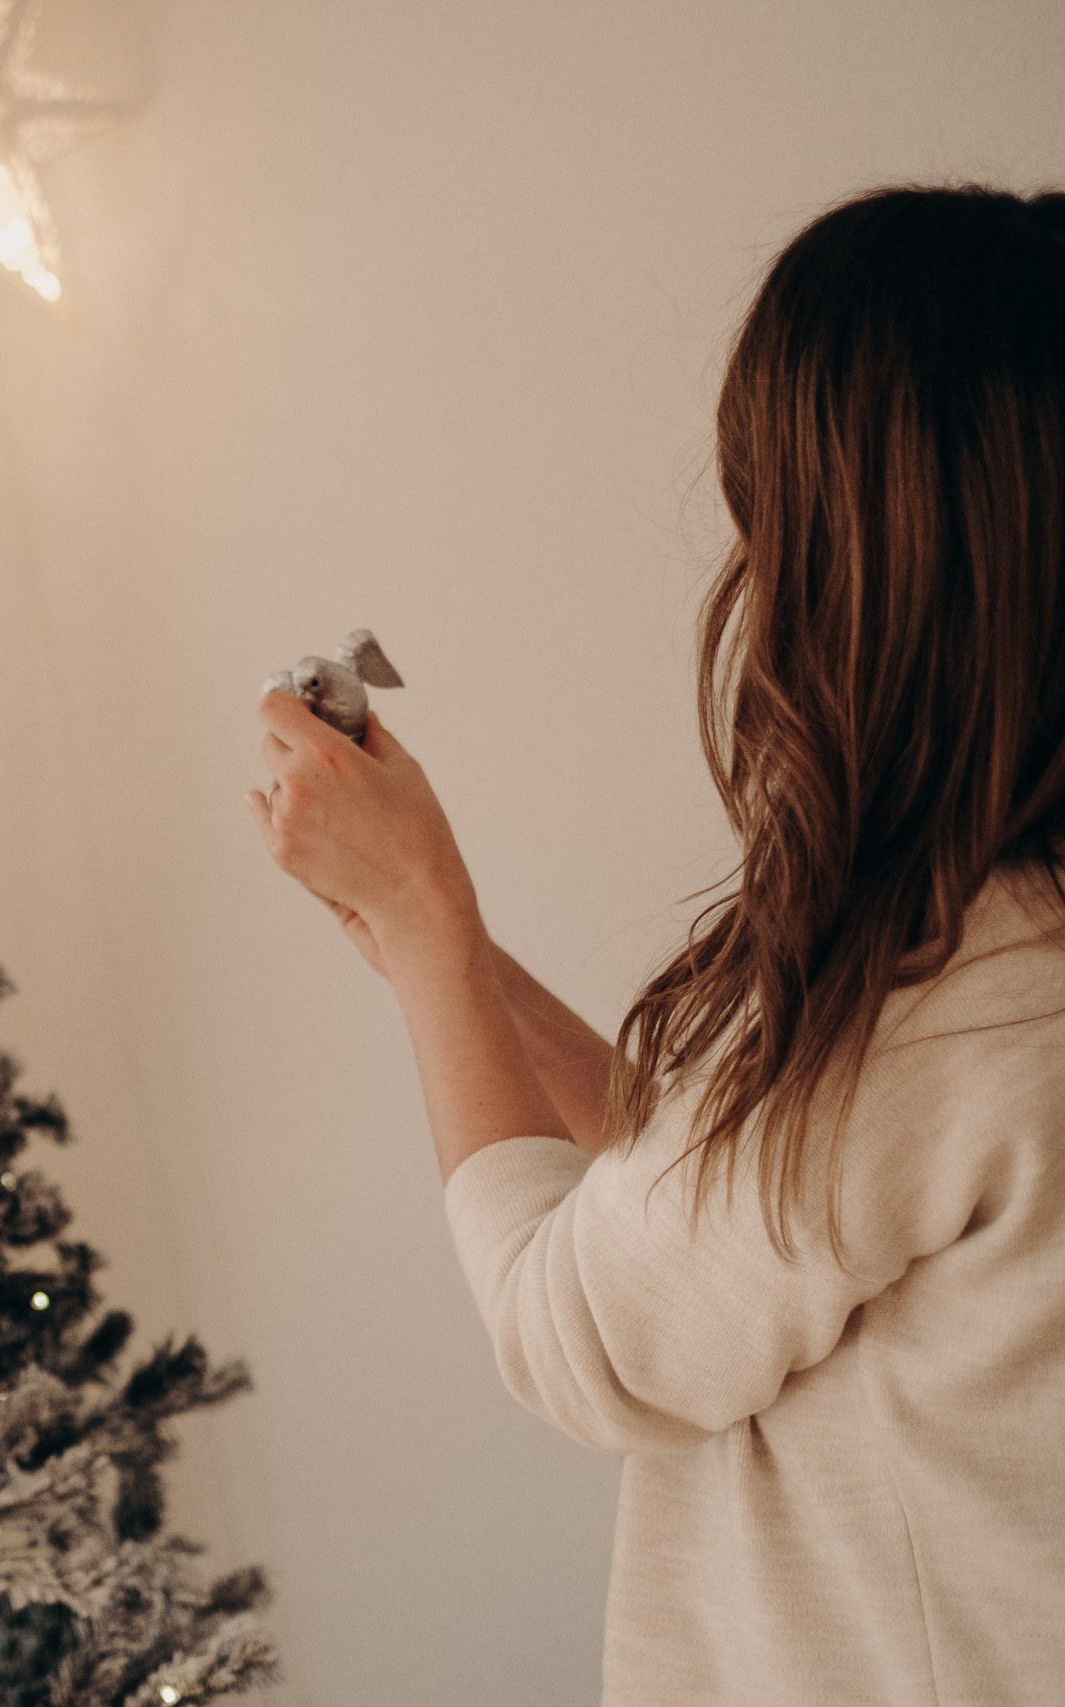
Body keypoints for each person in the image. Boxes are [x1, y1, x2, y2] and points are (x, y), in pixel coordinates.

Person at [253, 183, 1065, 1704]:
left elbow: (589, 1339)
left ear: (874, 553)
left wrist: (430, 924)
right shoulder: (1005, 959)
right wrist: (450, 947)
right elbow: (741, 1206)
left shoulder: (945, 1006)